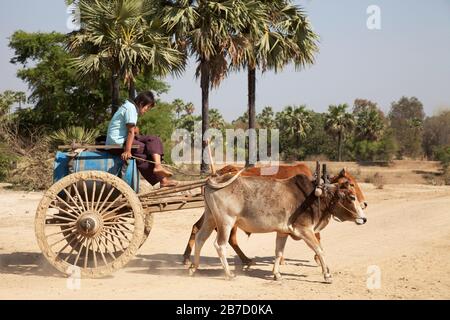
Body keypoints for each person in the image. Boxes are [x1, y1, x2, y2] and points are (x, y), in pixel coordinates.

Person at [106, 91, 178, 187]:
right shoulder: (130, 108)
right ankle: (163, 181)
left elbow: (131, 129)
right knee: (144, 149)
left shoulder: (130, 107)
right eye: (147, 107)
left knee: (154, 139)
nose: (146, 110)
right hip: (117, 143)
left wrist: (136, 131)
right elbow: (131, 132)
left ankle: (158, 166)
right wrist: (127, 151)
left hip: (124, 138)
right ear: (141, 104)